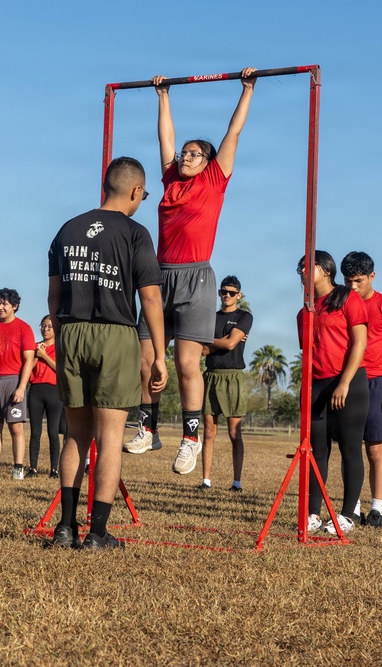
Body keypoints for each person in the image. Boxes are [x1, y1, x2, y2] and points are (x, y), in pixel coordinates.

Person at [124, 69, 258, 482]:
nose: (185, 156)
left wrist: (247, 89)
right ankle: (147, 425)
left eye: (194, 153)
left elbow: (233, 133)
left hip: (196, 278)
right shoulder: (169, 181)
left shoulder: (215, 180)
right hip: (158, 276)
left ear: (209, 161)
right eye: (183, 153)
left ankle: (190, 436)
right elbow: (165, 136)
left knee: (185, 363)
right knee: (146, 357)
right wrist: (163, 96)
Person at [48, 156, 166, 550]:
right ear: (135, 190)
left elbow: (53, 296)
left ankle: (65, 528)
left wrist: (64, 335)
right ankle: (98, 533)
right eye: (143, 195)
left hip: (71, 330)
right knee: (111, 437)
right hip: (115, 332)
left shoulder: (66, 230)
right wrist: (160, 355)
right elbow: (150, 297)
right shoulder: (135, 232)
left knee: (75, 433)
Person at [296, 250, 369, 536]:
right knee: (316, 451)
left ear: (326, 270)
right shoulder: (304, 311)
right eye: (299, 267)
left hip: (348, 381)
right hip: (316, 385)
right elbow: (307, 354)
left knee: (350, 448)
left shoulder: (348, 299)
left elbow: (359, 344)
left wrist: (344, 383)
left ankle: (348, 513)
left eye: (308, 266)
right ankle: (313, 513)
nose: (303, 271)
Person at [340, 251, 382, 528]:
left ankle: (376, 509)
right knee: (349, 448)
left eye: (358, 281)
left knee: (375, 450)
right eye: (348, 281)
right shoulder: (339, 302)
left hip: (378, 381)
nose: (352, 287)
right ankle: (352, 508)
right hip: (348, 380)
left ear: (372, 276)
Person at [199, 276, 252, 491]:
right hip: (211, 375)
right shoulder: (211, 318)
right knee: (209, 432)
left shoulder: (244, 316)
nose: (227, 295)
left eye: (231, 292)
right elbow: (201, 350)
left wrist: (209, 341)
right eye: (223, 291)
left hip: (233, 378)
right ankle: (205, 480)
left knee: (233, 433)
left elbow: (230, 344)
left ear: (238, 295)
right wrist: (222, 342)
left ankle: (236, 482)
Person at [0, 288, 36, 480]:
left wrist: (21, 387)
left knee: (16, 427)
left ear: (15, 306)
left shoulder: (24, 328)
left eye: (5, 304)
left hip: (13, 380)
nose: (0, 307)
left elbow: (28, 361)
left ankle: (18, 467)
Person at [26, 315, 64, 478]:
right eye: (43, 326)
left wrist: (44, 356)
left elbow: (61, 370)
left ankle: (54, 469)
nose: (45, 329)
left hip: (54, 391)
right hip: (35, 390)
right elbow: (28, 370)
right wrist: (36, 354)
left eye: (49, 326)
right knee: (35, 431)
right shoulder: (35, 347)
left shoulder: (61, 347)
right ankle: (33, 468)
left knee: (53, 431)